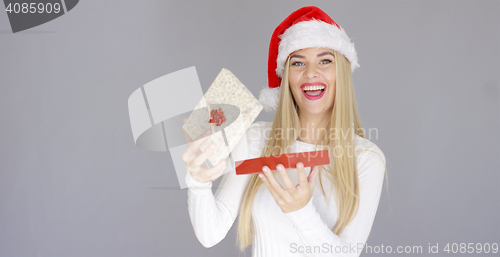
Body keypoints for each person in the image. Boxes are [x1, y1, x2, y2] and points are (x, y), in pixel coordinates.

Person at [182, 6, 386, 257]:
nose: (311, 72)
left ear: (341, 72)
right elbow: (210, 233)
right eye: (298, 63)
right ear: (286, 76)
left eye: (325, 60)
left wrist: (301, 212)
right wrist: (198, 183)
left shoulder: (366, 158)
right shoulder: (256, 139)